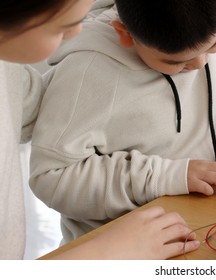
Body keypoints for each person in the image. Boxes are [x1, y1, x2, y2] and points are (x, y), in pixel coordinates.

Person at [29, 0, 216, 243]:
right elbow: (52, 177)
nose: (200, 63)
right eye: (178, 62)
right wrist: (166, 177)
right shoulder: (86, 71)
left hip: (207, 225)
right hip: (126, 249)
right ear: (125, 35)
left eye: (214, 45)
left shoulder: (209, 24)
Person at [0, 0, 200, 260]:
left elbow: (35, 106)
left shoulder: (9, 69)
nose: (75, 34)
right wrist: (107, 253)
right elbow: (54, 172)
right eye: (64, 26)